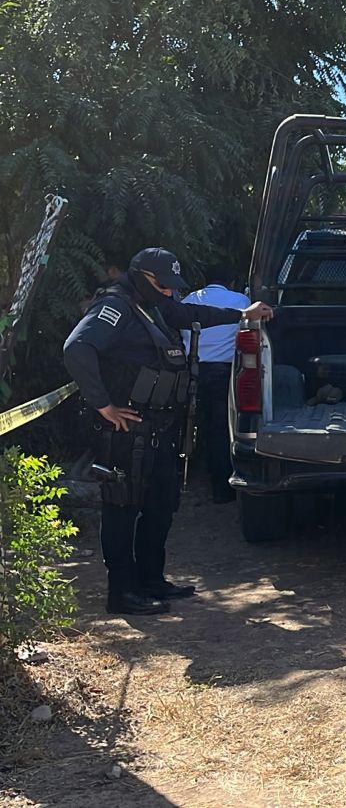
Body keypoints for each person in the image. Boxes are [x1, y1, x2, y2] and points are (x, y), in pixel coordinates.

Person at [62, 248, 274, 615]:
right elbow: (77, 348)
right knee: (122, 507)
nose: (168, 292)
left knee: (162, 503)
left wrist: (243, 315)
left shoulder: (156, 304)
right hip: (125, 429)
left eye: (172, 287)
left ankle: (151, 579)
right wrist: (103, 405)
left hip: (158, 427)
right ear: (140, 275)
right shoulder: (116, 307)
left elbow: (194, 314)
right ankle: (122, 592)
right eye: (162, 285)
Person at [181, 268, 250, 503]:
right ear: (230, 282)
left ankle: (186, 477)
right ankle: (221, 488)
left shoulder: (189, 300)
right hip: (224, 372)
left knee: (190, 424)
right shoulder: (241, 300)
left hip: (193, 369)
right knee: (220, 428)